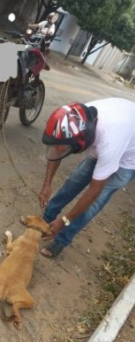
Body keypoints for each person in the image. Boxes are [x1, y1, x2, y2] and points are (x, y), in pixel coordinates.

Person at [39, 98, 135, 258]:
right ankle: (46, 219)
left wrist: (65, 220)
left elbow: (95, 190)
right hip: (114, 134)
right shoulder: (77, 117)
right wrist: (47, 184)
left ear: (83, 140)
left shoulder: (109, 143)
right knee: (74, 181)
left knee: (95, 201)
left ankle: (61, 239)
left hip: (129, 160)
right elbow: (57, 150)